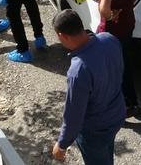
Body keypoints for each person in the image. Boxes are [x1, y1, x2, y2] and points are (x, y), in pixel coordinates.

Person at [50, 10, 126, 165]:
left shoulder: (78, 70)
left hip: (95, 130)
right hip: (117, 114)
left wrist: (62, 144)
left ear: (61, 36)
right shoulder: (109, 39)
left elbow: (74, 114)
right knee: (106, 152)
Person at [92, 0, 141, 118]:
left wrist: (111, 15)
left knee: (109, 70)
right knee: (124, 64)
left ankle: (117, 107)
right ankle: (132, 102)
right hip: (129, 21)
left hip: (112, 30)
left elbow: (104, 9)